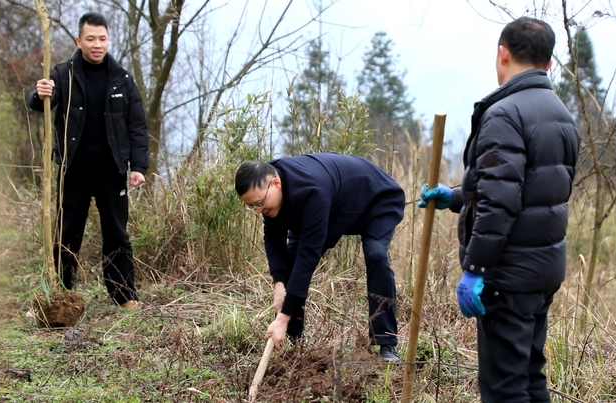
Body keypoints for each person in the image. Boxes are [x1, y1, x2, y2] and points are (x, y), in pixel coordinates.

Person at [418, 17, 580, 402]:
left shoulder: (505, 114)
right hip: (542, 271)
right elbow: (532, 192)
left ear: (502, 53)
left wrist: (476, 269)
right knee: (528, 377)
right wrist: (457, 197)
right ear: (549, 63)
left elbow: (501, 203)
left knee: (503, 389)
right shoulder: (561, 115)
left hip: (507, 275)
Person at [28, 12, 149, 309]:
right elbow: (40, 102)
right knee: (67, 232)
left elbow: (137, 125)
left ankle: (124, 296)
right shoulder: (63, 73)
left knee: (117, 233)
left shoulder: (123, 79)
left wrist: (139, 167)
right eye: (91, 39)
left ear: (108, 40)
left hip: (112, 169)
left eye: (102, 39)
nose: (97, 45)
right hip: (74, 169)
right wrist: (37, 93)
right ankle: (59, 292)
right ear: (79, 40)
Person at [235, 153, 405, 362]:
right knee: (290, 263)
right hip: (336, 205)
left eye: (260, 203)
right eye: (252, 206)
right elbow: (273, 237)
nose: (258, 210)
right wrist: (279, 284)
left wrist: (283, 316)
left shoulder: (310, 190)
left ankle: (386, 341)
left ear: (276, 183)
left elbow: (308, 258)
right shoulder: (266, 186)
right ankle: (292, 344)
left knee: (376, 254)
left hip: (376, 198)